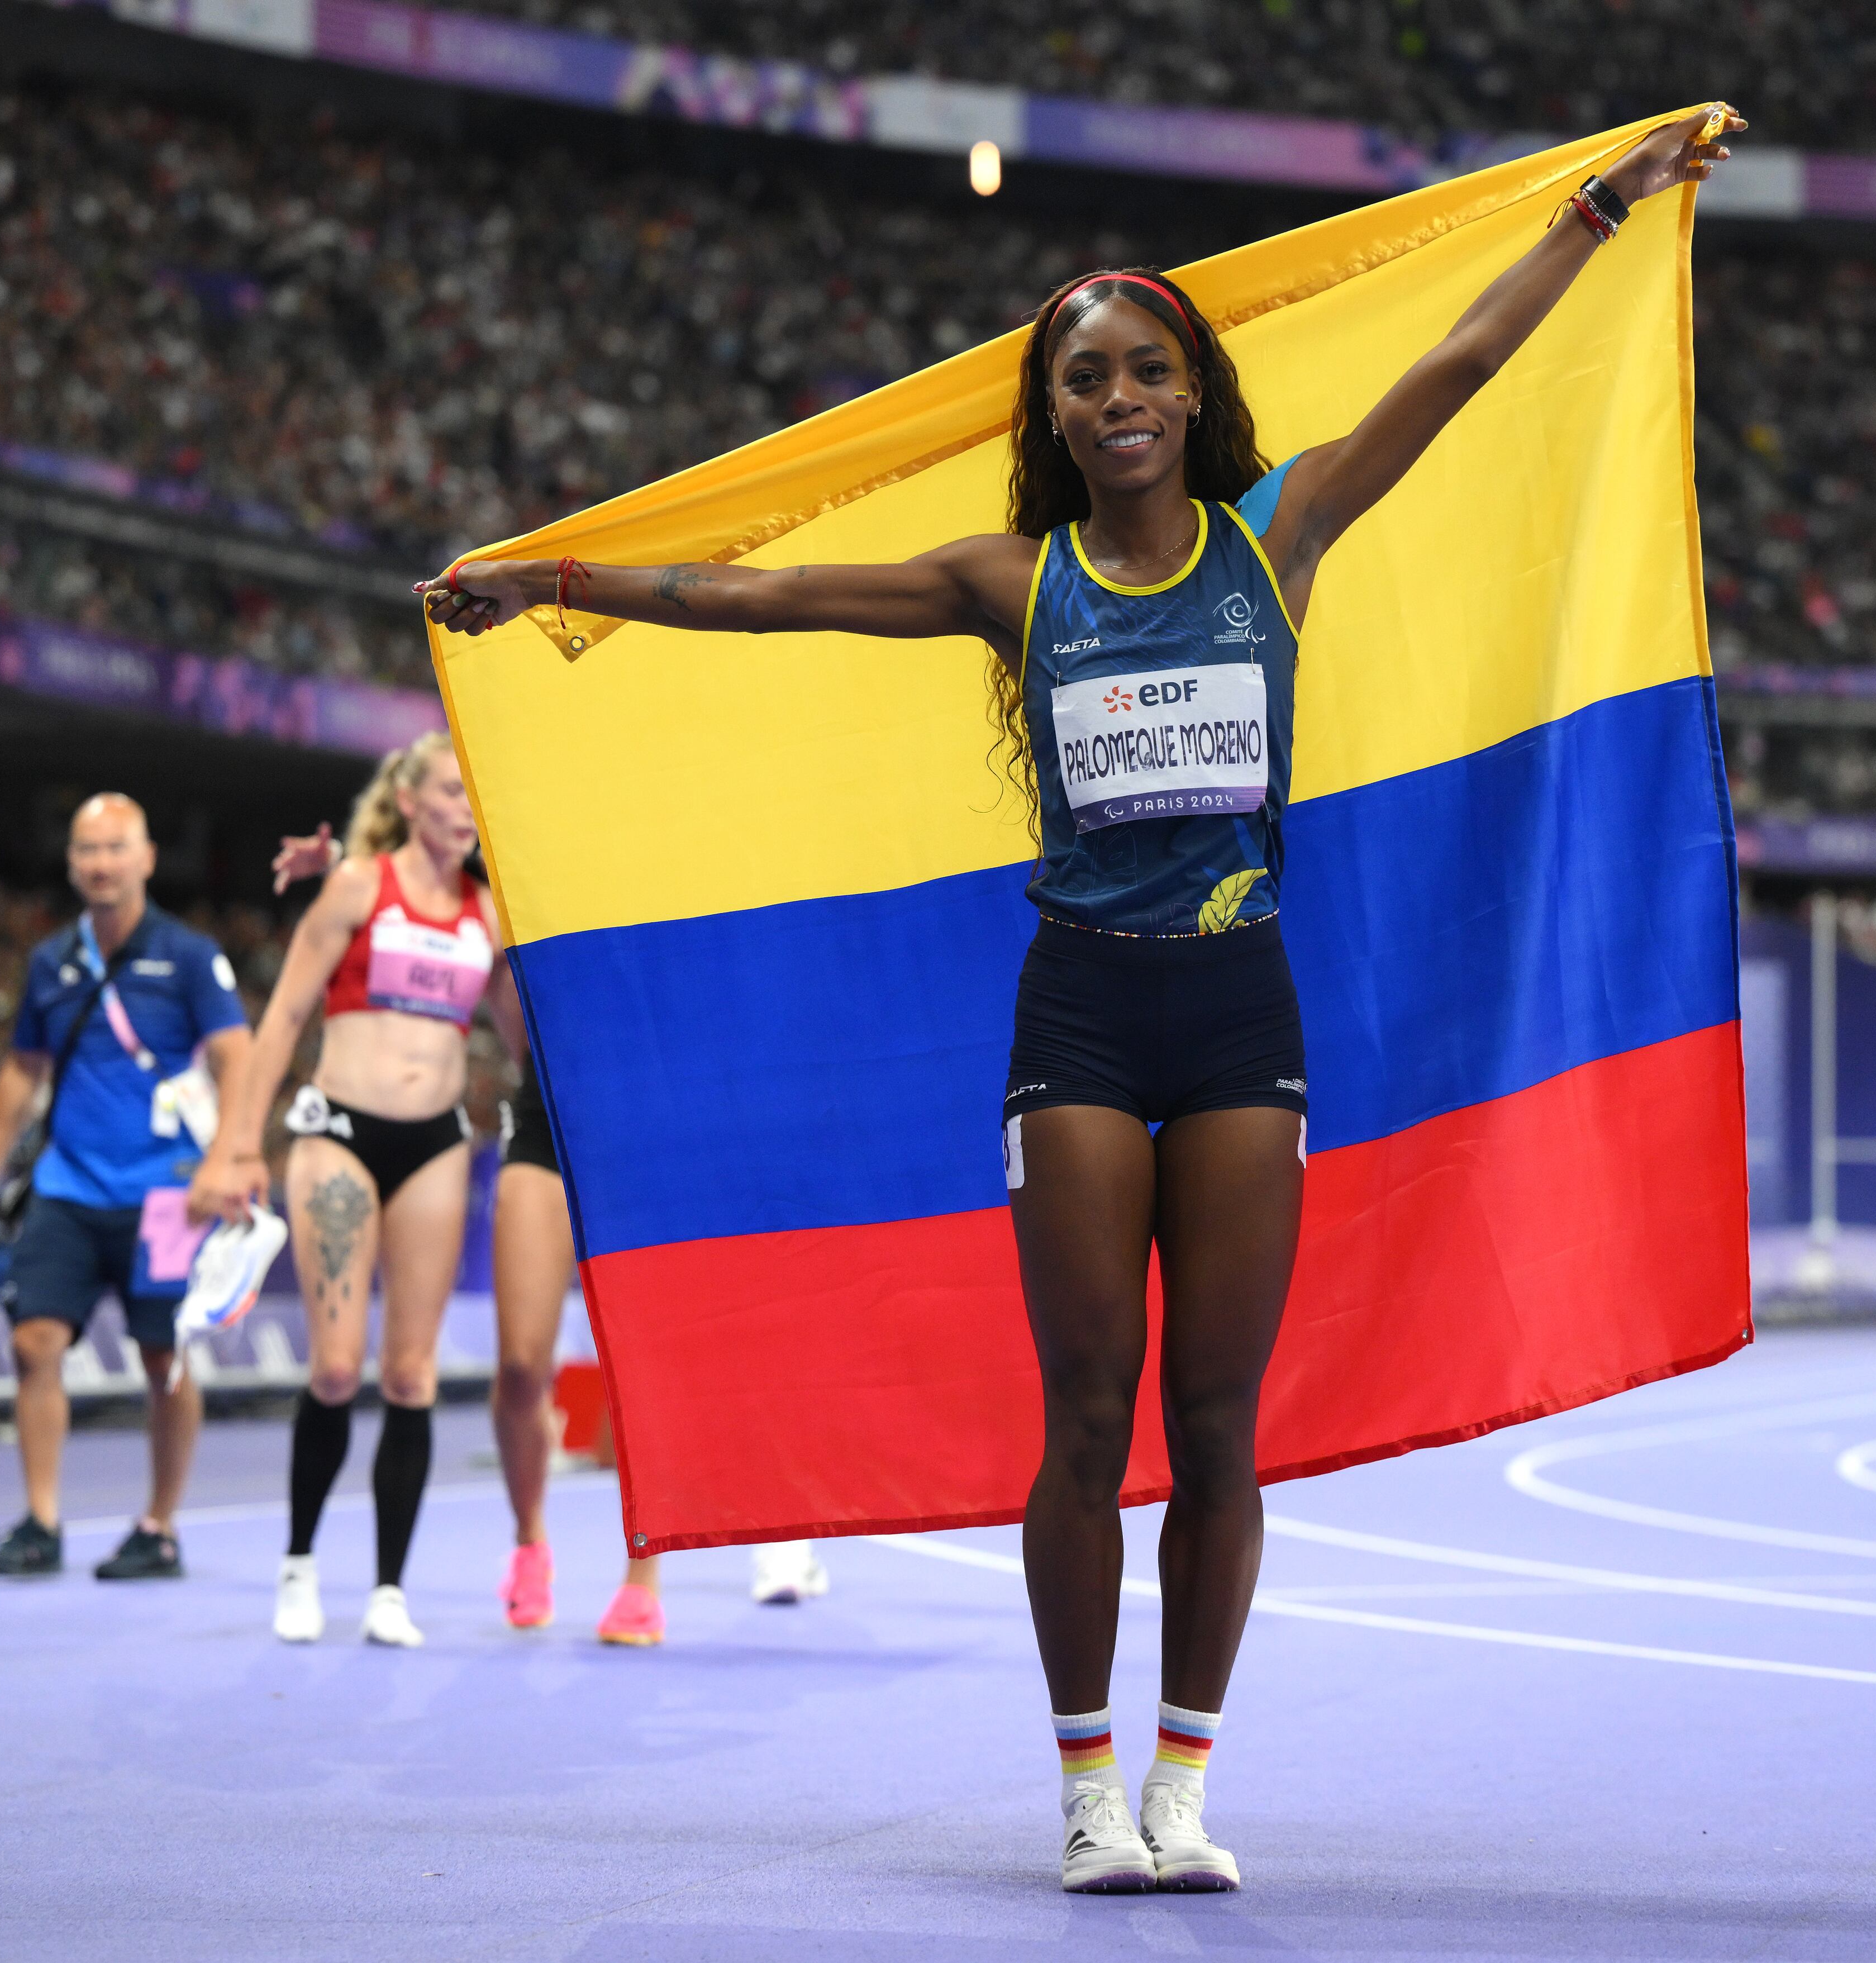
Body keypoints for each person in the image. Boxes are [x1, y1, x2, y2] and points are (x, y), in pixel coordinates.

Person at [423, 111, 1737, 1890]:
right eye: (1083, 379)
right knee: (1090, 1412)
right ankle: (1083, 1787)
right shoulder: (1011, 583)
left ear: (1193, 395)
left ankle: (1185, 1781)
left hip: (1241, 1015)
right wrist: (551, 580)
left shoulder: (1282, 534)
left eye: (1144, 371)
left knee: (1219, 1424)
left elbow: (1461, 361)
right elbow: (767, 595)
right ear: (1051, 417)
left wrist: (1604, 199)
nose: (1117, 397)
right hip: (1082, 1025)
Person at [267, 825, 831, 1643]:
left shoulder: (697, 876)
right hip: (551, 1118)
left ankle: (644, 1572)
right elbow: (433, 852)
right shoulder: (539, 845)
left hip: (658, 1124)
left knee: (642, 1367)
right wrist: (342, 858)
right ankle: (530, 1540)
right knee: (522, 1366)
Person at [193, 733, 517, 1648]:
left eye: (474, 792)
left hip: (436, 1145)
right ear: (409, 800)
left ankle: (388, 1591)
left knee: (411, 1373)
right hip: (338, 1135)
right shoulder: (356, 888)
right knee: (337, 1368)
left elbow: (521, 1034)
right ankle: (299, 1565)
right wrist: (239, 1148)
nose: (464, 807)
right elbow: (283, 1018)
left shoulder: (490, 915)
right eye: (449, 790)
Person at [0, 793, 252, 1581]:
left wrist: (225, 1159)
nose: (102, 862)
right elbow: (23, 1070)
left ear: (147, 858)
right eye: (88, 849)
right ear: (71, 864)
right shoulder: (51, 962)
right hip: (69, 1186)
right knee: (33, 1342)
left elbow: (238, 1055)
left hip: (168, 1194)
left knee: (164, 1360)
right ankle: (41, 1522)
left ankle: (159, 1527)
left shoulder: (188, 956)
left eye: (117, 847)